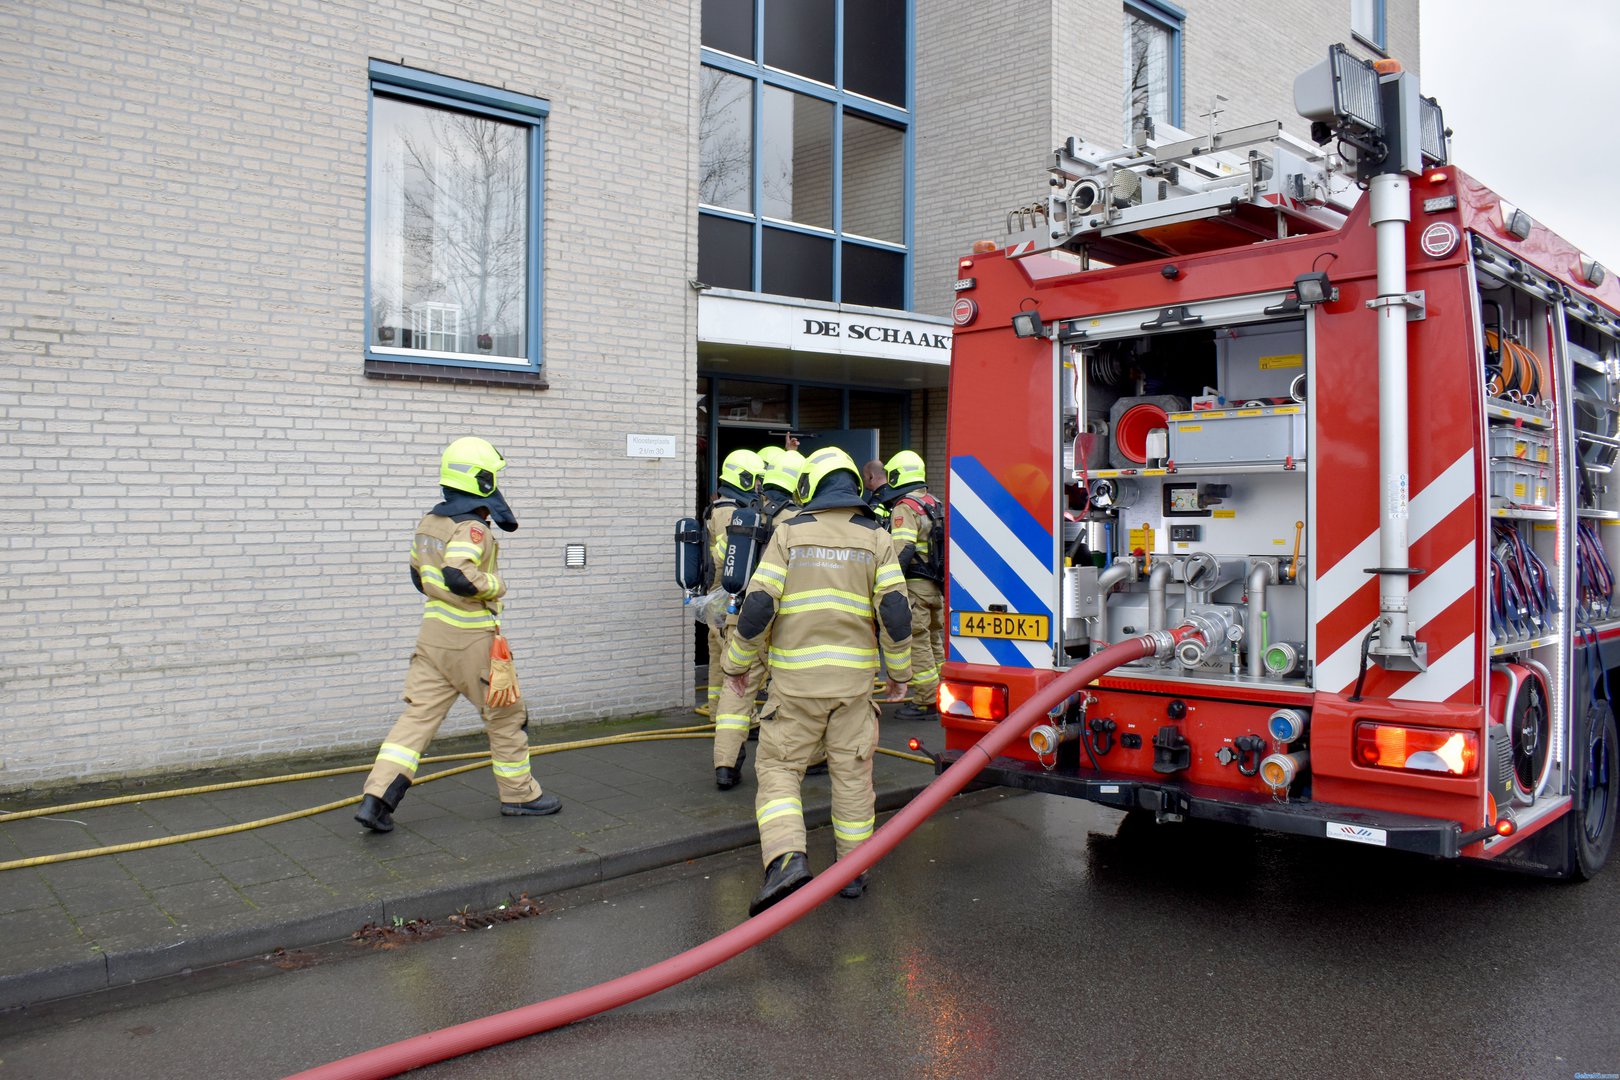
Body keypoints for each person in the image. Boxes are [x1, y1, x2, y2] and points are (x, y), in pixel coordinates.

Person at [723, 447, 912, 914]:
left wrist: (736, 664)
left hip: (795, 689)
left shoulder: (790, 532)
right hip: (853, 688)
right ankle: (850, 872)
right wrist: (901, 673)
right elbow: (896, 612)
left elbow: (759, 606)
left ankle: (787, 859)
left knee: (779, 771)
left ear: (810, 487)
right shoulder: (877, 536)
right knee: (852, 776)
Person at [355, 437, 560, 833]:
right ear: (481, 480)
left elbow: (420, 577)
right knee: (505, 715)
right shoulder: (471, 528)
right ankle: (520, 795)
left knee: (417, 718)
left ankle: (377, 798)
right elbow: (458, 574)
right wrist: (496, 586)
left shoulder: (430, 522)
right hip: (471, 640)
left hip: (432, 637)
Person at [711, 449, 805, 789]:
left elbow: (720, 560)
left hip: (742, 618)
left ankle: (725, 765)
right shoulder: (800, 524)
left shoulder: (744, 517)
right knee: (793, 689)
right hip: (783, 624)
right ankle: (808, 759)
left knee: (736, 690)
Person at [882, 450, 946, 722]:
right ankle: (943, 692)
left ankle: (926, 700)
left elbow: (903, 548)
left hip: (914, 586)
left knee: (917, 642)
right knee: (934, 640)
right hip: (935, 587)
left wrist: (888, 581)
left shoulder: (905, 507)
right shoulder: (935, 503)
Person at [699, 449, 764, 718]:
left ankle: (717, 709)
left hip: (717, 592)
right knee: (733, 655)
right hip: (725, 592)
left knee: (718, 652)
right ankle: (738, 714)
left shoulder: (720, 506)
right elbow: (729, 556)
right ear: (745, 478)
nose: (759, 486)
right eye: (757, 479)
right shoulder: (729, 511)